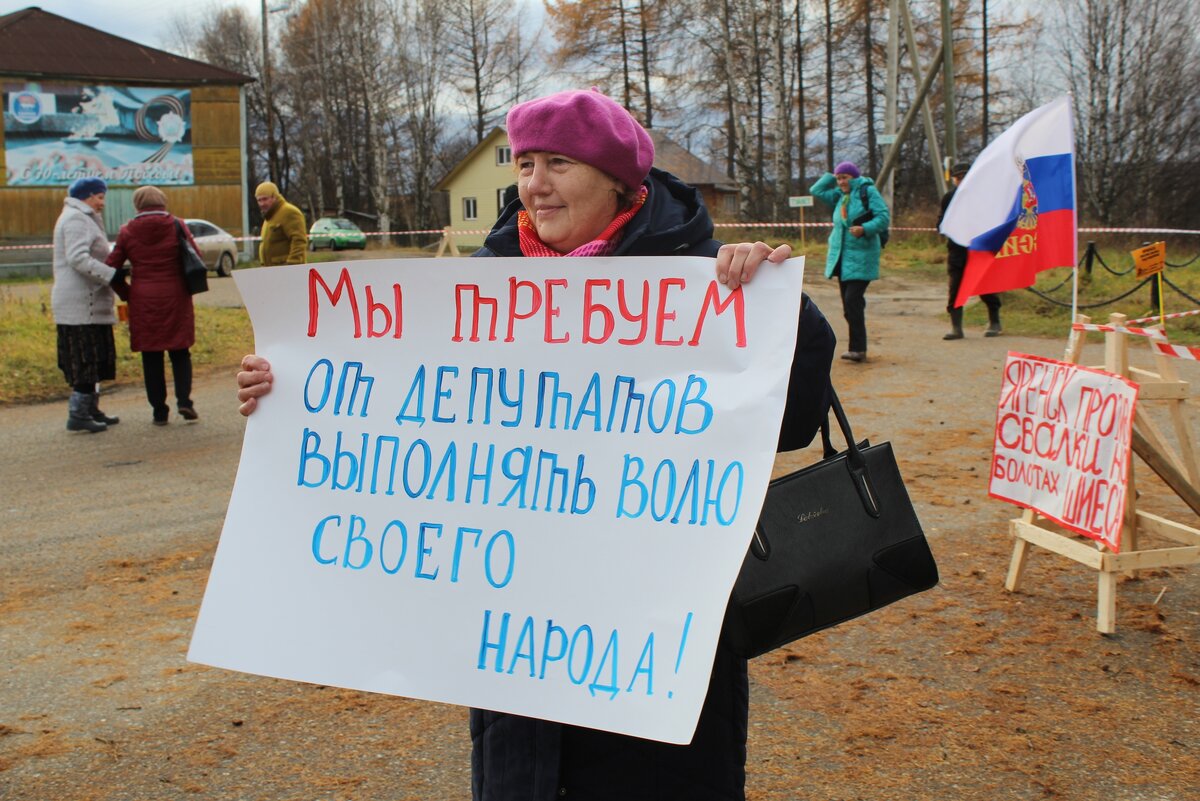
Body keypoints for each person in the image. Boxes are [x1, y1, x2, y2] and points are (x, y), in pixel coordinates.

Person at [236, 88, 835, 801]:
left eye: (558, 162)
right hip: (519, 647)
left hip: (649, 643)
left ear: (619, 179)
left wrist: (775, 304)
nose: (534, 184)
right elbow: (404, 406)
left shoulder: (697, 276)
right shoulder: (480, 289)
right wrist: (293, 391)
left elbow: (796, 418)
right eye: (524, 164)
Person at [105, 186, 200, 425]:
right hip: (176, 296)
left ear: (137, 205)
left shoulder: (127, 231)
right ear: (162, 202)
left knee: (151, 356)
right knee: (180, 352)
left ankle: (159, 410)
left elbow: (111, 267)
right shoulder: (176, 225)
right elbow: (195, 254)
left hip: (143, 299)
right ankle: (185, 402)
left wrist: (127, 293)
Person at [51, 176, 124, 433]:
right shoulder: (75, 219)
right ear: (87, 196)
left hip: (92, 303)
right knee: (84, 358)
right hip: (79, 305)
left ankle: (91, 408)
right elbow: (77, 258)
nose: (102, 202)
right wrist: (111, 274)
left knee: (95, 359)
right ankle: (78, 413)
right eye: (100, 197)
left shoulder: (85, 217)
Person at [810, 161, 890, 363]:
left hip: (862, 257)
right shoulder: (840, 197)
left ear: (854, 177)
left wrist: (865, 229)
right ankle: (857, 348)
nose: (841, 181)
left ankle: (858, 349)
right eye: (839, 178)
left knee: (853, 301)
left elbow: (883, 217)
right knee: (849, 306)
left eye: (845, 177)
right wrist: (832, 175)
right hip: (842, 258)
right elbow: (816, 190)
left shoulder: (867, 191)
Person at [939, 160, 1002, 339]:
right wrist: (946, 226)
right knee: (956, 287)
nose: (961, 180)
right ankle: (956, 327)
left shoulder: (984, 196)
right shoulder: (949, 198)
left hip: (980, 248)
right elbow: (940, 222)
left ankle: (995, 321)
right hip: (957, 250)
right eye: (958, 177)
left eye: (964, 176)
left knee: (985, 284)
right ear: (954, 180)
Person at [254, 180, 308, 266]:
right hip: (273, 271)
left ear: (274, 197)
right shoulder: (269, 216)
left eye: (265, 199)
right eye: (259, 200)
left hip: (286, 270)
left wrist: (293, 263)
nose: (262, 204)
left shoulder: (289, 212)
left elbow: (299, 241)